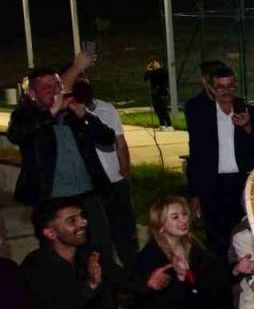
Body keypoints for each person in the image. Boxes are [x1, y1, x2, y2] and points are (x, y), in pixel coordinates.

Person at [8, 63, 119, 275]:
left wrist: (84, 116)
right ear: (33, 93)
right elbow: (17, 134)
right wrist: (51, 113)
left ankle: (106, 294)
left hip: (87, 194)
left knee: (101, 247)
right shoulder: (26, 115)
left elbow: (107, 137)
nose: (54, 90)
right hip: (51, 198)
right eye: (46, 87)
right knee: (57, 255)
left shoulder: (72, 112)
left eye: (56, 85)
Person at [130, 196, 236, 309]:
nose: (183, 220)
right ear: (160, 224)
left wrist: (236, 270)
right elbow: (141, 295)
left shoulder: (195, 246)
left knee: (213, 304)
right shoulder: (150, 254)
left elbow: (215, 277)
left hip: (191, 305)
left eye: (184, 214)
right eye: (175, 217)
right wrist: (177, 278)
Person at [185, 64, 254, 260]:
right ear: (211, 89)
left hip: (242, 184)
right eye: (220, 87)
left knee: (245, 239)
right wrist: (195, 194)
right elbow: (196, 155)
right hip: (213, 186)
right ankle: (222, 284)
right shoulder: (201, 113)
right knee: (217, 242)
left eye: (230, 86)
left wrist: (248, 127)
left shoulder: (249, 112)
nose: (226, 91)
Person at [75, 78, 138, 272]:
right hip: (90, 186)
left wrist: (125, 171)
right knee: (99, 238)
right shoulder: (66, 114)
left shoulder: (106, 108)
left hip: (116, 181)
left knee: (126, 233)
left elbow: (120, 141)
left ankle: (133, 277)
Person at [143, 57, 173, 130]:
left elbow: (160, 78)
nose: (152, 65)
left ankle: (169, 125)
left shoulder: (163, 71)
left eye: (153, 63)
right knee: (157, 109)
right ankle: (162, 124)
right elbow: (145, 78)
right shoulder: (152, 72)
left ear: (157, 62)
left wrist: (151, 71)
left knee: (163, 109)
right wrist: (147, 70)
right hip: (154, 93)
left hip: (162, 92)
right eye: (151, 64)